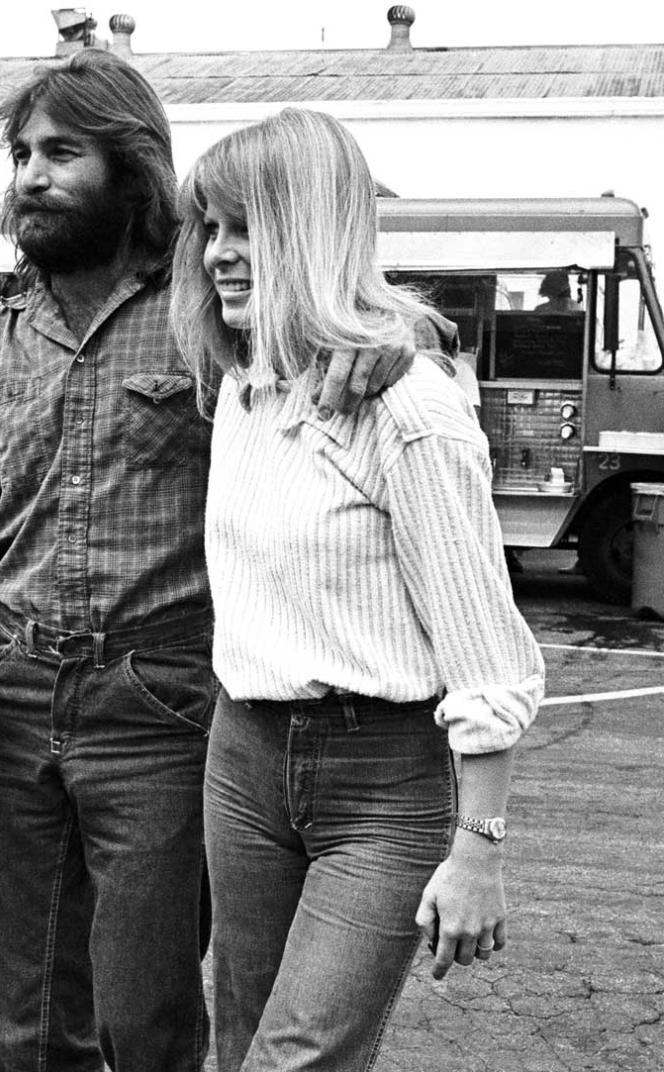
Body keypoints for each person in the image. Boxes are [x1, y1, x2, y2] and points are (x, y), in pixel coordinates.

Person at [0, 53, 414, 1072]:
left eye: (61, 153)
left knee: (148, 1010)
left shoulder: (206, 324)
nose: (31, 177)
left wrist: (383, 344)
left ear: (131, 170)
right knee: (21, 1005)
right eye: (23, 156)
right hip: (17, 698)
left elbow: (333, 342)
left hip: (166, 704)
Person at [170, 107, 546, 1072]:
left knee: (295, 1059)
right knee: (241, 1043)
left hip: (381, 784)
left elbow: (486, 653)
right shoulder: (246, 393)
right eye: (209, 226)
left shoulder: (408, 408)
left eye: (246, 224)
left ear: (314, 226)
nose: (219, 251)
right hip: (242, 758)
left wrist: (481, 849)